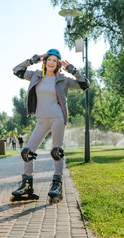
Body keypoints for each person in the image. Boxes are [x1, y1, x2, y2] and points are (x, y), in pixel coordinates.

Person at [11, 48, 89, 203]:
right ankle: (27, 184)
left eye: (55, 60)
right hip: (41, 120)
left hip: (57, 117)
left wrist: (73, 70)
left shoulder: (63, 79)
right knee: (27, 151)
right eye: (49, 59)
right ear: (45, 61)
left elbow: (85, 84)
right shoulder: (35, 75)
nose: (51, 62)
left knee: (56, 150)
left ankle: (57, 183)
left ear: (58, 63)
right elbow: (16, 70)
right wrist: (32, 60)